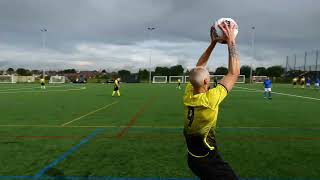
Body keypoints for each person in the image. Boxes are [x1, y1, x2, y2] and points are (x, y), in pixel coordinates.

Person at [183, 21, 239, 180]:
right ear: (206, 83)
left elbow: (199, 66)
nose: (211, 75)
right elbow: (233, 73)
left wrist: (213, 43)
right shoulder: (210, 99)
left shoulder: (189, 94)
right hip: (208, 161)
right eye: (209, 75)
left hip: (193, 159)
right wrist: (231, 41)